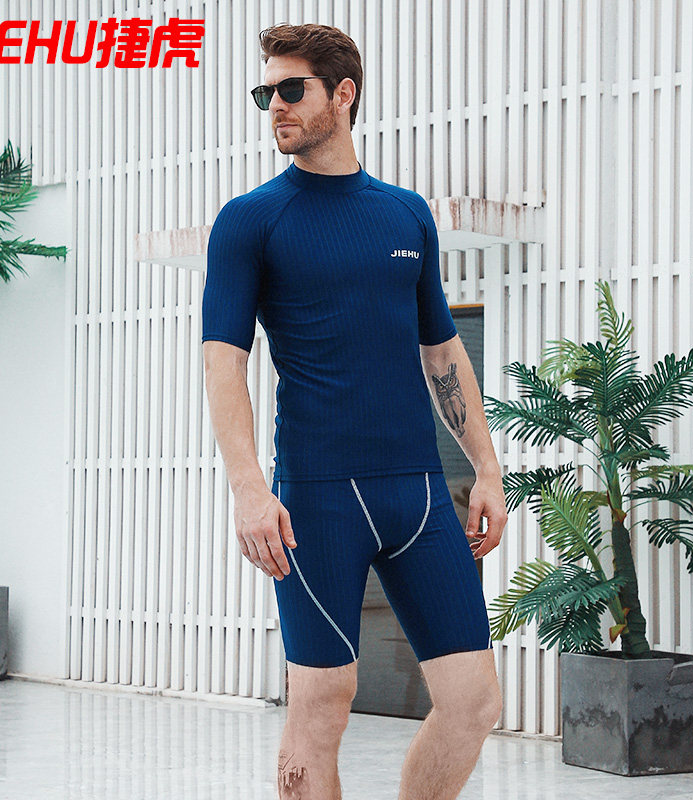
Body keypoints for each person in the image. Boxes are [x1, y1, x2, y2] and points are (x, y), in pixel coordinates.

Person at [202, 22, 507, 800]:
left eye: (290, 89)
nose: (275, 105)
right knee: (322, 704)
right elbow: (224, 360)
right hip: (317, 500)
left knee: (473, 702)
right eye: (265, 92)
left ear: (344, 94)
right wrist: (248, 487)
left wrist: (487, 468)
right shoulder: (251, 219)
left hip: (418, 492)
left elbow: (441, 350)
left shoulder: (406, 215)